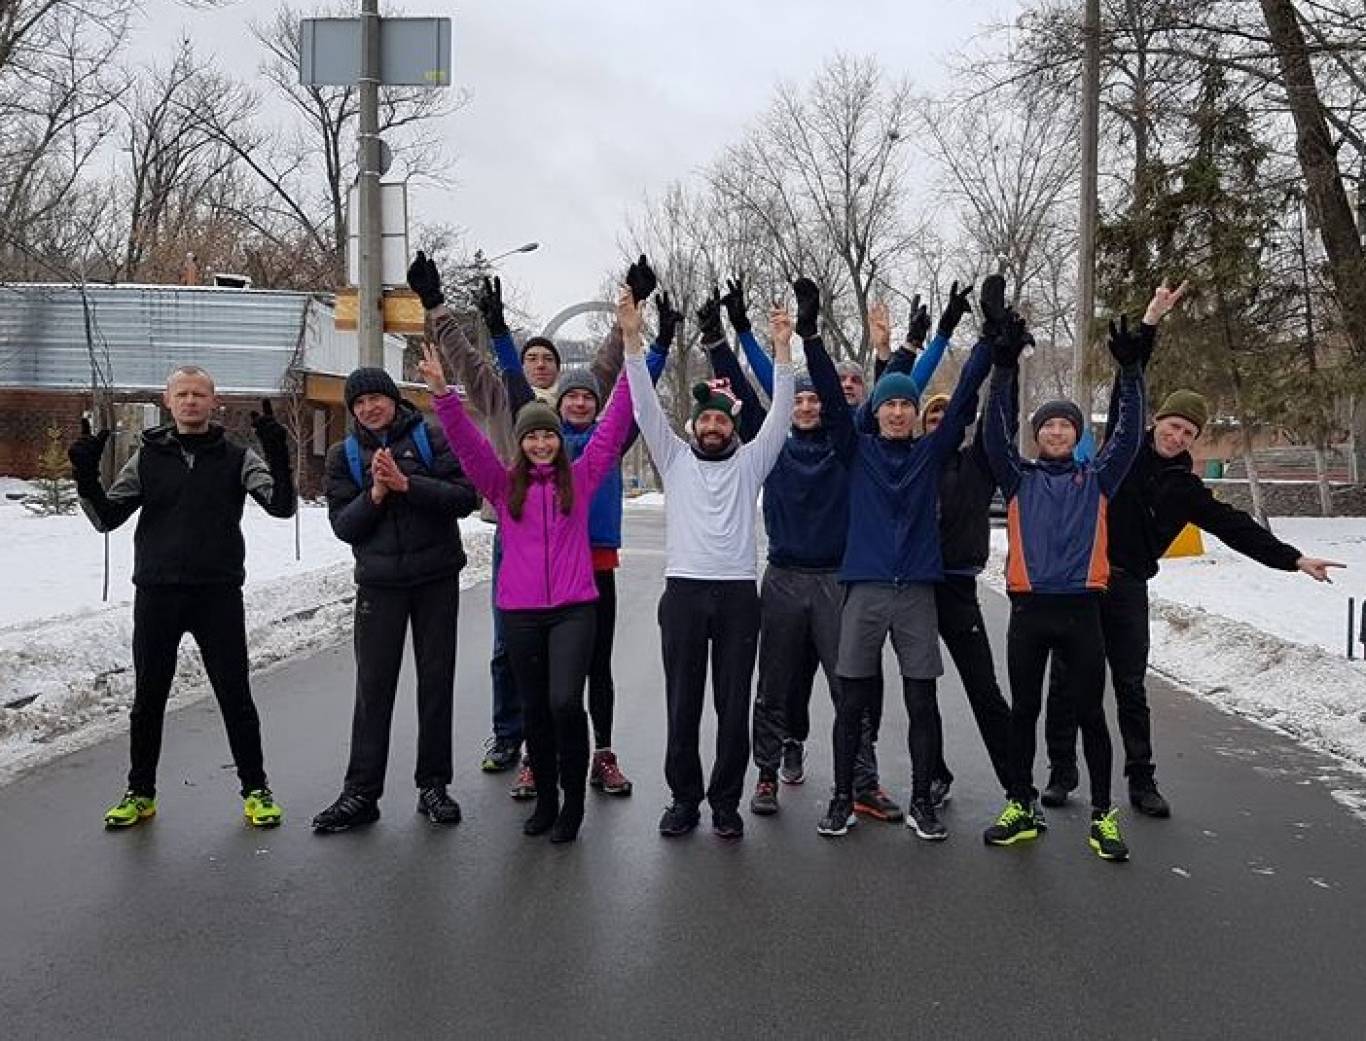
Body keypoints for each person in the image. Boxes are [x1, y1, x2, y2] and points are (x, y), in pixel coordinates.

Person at [1040, 286, 1345, 817]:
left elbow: (1233, 526)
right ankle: (1062, 772)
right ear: (1157, 421)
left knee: (1130, 686)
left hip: (1128, 585)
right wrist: (1152, 320)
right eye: (1173, 425)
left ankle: (1142, 781)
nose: (1178, 436)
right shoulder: (1123, 448)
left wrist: (1292, 557)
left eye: (1188, 432)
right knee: (1069, 680)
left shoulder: (1184, 487)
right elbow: (1127, 387)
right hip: (1084, 581)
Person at [419, 288, 639, 844]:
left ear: (559, 441)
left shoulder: (581, 478)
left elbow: (614, 423)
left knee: (565, 701)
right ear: (521, 443)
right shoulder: (503, 483)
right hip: (519, 612)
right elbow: (469, 446)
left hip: (572, 609)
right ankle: (544, 800)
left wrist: (633, 346)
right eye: (532, 435)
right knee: (536, 708)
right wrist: (444, 394)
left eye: (548, 434)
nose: (541, 442)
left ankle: (571, 803)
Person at [68, 366, 296, 829]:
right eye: (183, 394)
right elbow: (106, 518)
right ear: (168, 402)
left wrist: (277, 451)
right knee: (148, 699)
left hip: (218, 594)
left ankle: (256, 789)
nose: (191, 401)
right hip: (158, 594)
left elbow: (281, 506)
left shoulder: (236, 456)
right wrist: (85, 473)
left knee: (235, 696)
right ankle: (140, 793)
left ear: (214, 403)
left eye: (200, 394)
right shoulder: (146, 458)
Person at [487, 260, 673, 799]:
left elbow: (638, 386)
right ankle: (532, 755)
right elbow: (515, 385)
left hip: (596, 567)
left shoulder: (606, 446)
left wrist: (658, 341)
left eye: (589, 397)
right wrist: (500, 333)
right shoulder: (540, 445)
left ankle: (603, 754)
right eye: (571, 396)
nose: (579, 402)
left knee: (597, 670)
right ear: (558, 404)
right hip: (548, 576)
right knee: (541, 674)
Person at [818, 283, 992, 843]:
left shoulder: (928, 454)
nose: (897, 411)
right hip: (865, 589)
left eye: (905, 405)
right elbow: (827, 391)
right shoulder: (857, 450)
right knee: (853, 701)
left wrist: (987, 340)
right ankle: (843, 797)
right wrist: (809, 334)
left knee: (923, 698)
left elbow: (964, 399)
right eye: (889, 403)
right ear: (877, 410)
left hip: (916, 590)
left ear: (916, 415)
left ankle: (922, 798)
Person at [980, 281, 1146, 862]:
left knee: (1088, 716)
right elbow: (990, 437)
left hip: (1081, 612)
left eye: (1065, 426)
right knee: (1023, 711)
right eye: (1047, 425)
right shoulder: (1018, 479)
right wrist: (1002, 370)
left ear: (1076, 437)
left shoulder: (1097, 479)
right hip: (1029, 613)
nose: (1055, 431)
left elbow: (1127, 438)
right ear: (1037, 435)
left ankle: (1104, 815)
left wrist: (1130, 375)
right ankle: (1020, 804)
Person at [626, 284, 796, 840]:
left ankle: (726, 802)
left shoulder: (752, 463)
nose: (714, 427)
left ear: (732, 426)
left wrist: (784, 351)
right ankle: (684, 799)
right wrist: (632, 338)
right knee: (683, 706)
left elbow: (782, 416)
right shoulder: (674, 457)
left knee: (730, 707)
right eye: (706, 421)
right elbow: (643, 406)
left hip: (738, 597)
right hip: (684, 594)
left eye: (723, 421)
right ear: (695, 424)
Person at [311, 367, 480, 833]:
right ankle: (361, 792)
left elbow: (465, 496)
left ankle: (434, 786)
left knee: (435, 682)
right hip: (379, 587)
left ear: (392, 398)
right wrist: (378, 493)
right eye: (359, 403)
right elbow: (344, 526)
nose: (369, 408)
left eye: (375, 398)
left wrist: (410, 485)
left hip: (436, 579)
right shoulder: (343, 455)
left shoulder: (429, 437)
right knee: (373, 689)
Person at [873, 288, 1014, 809]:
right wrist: (894, 351)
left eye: (941, 420)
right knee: (920, 692)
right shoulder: (908, 464)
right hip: (915, 587)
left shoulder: (976, 465)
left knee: (984, 689)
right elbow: (884, 398)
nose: (934, 425)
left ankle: (1016, 785)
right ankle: (933, 775)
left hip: (958, 588)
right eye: (926, 420)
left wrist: (992, 349)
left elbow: (982, 409)